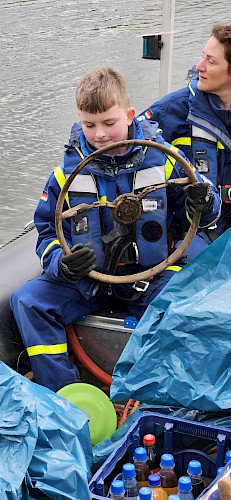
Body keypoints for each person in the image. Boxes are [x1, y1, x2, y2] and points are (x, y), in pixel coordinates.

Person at [10, 67, 220, 393]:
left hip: (151, 277)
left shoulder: (164, 161)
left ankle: (159, 394)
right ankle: (65, 396)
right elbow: (46, 231)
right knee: (28, 301)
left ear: (130, 115)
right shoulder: (65, 176)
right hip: (87, 282)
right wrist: (60, 265)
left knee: (190, 306)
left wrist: (203, 200)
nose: (100, 135)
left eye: (109, 123)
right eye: (89, 125)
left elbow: (199, 215)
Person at [140, 23, 231, 239]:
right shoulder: (174, 109)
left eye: (211, 61)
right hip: (196, 234)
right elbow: (126, 142)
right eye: (203, 57)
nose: (199, 66)